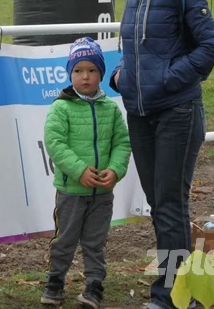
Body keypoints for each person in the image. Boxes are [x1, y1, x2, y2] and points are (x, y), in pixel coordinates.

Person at [109, 0, 214, 309]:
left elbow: (211, 45)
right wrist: (123, 75)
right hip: (140, 111)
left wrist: (170, 79)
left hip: (177, 110)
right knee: (160, 205)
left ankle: (174, 297)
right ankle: (177, 291)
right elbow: (137, 47)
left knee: (170, 206)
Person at [40, 37, 131, 309]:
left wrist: (115, 170)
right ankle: (55, 281)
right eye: (78, 71)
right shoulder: (61, 107)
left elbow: (122, 143)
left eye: (92, 70)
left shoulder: (111, 109)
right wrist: (79, 170)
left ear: (101, 74)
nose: (85, 77)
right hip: (71, 192)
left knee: (95, 241)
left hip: (102, 193)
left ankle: (94, 285)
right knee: (65, 239)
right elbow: (55, 143)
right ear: (70, 74)